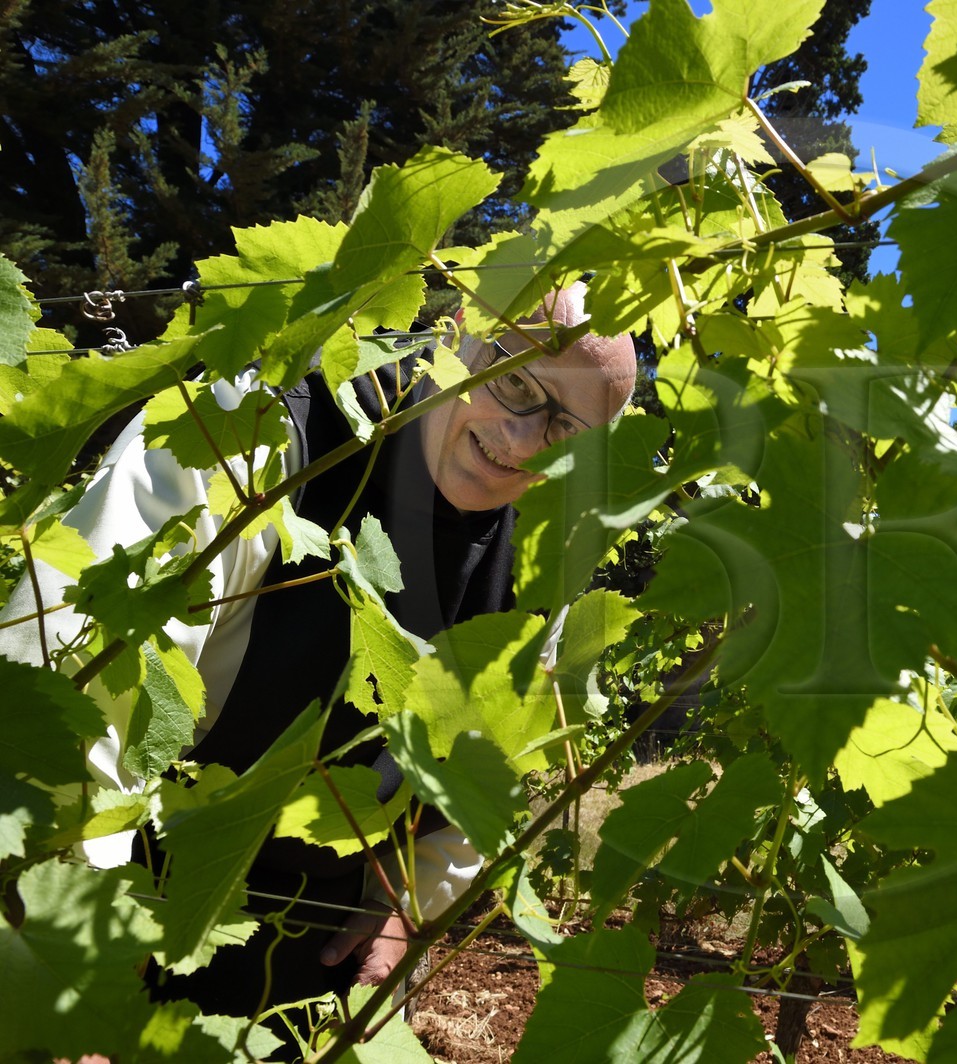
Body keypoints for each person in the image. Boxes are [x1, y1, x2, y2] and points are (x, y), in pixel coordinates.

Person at [0, 285, 636, 1049]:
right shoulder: (262, 429)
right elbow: (85, 693)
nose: (528, 439)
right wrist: (78, 952)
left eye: (569, 429)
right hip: (126, 902)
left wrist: (409, 898)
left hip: (317, 957)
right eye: (517, 382)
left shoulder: (542, 561)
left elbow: (482, 771)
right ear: (461, 325)